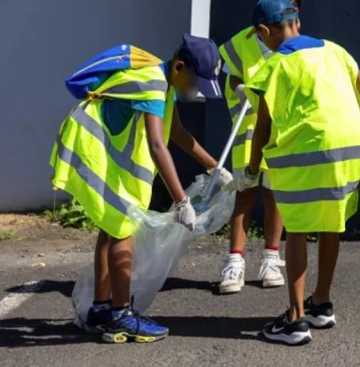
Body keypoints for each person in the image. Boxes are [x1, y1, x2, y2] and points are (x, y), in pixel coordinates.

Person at [230, 0, 360, 346]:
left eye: (260, 37)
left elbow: (263, 125)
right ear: (298, 22)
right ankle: (321, 304)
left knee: (298, 231)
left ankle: (294, 321)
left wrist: (251, 169)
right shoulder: (336, 50)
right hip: (352, 151)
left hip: (306, 154)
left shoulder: (274, 65)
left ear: (264, 31)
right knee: (330, 225)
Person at [51, 35, 232, 344]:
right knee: (122, 228)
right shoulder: (153, 84)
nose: (196, 90)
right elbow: (158, 145)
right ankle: (120, 318)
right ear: (178, 67)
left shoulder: (164, 83)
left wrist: (214, 165)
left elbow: (176, 132)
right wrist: (181, 201)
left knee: (111, 229)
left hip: (91, 149)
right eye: (195, 82)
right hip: (90, 152)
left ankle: (101, 309)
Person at [216, 0, 303, 294]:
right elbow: (232, 76)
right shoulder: (242, 41)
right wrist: (239, 89)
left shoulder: (298, 45)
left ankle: (270, 256)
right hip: (251, 127)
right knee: (245, 192)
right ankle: (234, 262)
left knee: (275, 194)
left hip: (282, 128)